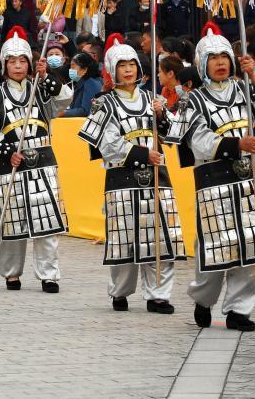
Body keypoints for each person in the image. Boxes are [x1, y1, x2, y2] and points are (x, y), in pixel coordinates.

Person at [166, 25, 255, 332]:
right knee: (216, 247)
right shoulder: (192, 100)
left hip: (251, 180)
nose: (220, 62)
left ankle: (238, 311)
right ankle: (203, 298)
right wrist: (236, 145)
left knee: (251, 244)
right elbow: (199, 141)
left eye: (224, 56)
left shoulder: (246, 89)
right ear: (202, 63)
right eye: (213, 57)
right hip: (215, 180)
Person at [78, 37, 184, 313]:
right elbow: (107, 144)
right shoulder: (103, 104)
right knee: (124, 238)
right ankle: (120, 291)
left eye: (132, 65)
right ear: (112, 70)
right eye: (122, 65)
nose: (128, 70)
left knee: (160, 237)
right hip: (122, 178)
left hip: (157, 177)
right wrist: (140, 154)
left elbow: (175, 133)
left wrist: (162, 116)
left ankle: (158, 295)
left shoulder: (153, 100)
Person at [0, 27, 72, 292]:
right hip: (12, 163)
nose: (18, 66)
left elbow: (64, 100)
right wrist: (7, 151)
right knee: (11, 220)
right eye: (12, 62)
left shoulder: (41, 87)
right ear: (5, 65)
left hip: (42, 161)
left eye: (22, 61)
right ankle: (11, 273)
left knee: (47, 221)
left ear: (30, 63)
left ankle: (49, 274)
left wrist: (45, 75)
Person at [66, 53, 102, 117]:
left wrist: (64, 112)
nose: (70, 70)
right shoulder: (79, 84)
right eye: (70, 67)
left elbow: (86, 110)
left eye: (73, 67)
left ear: (84, 69)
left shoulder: (91, 84)